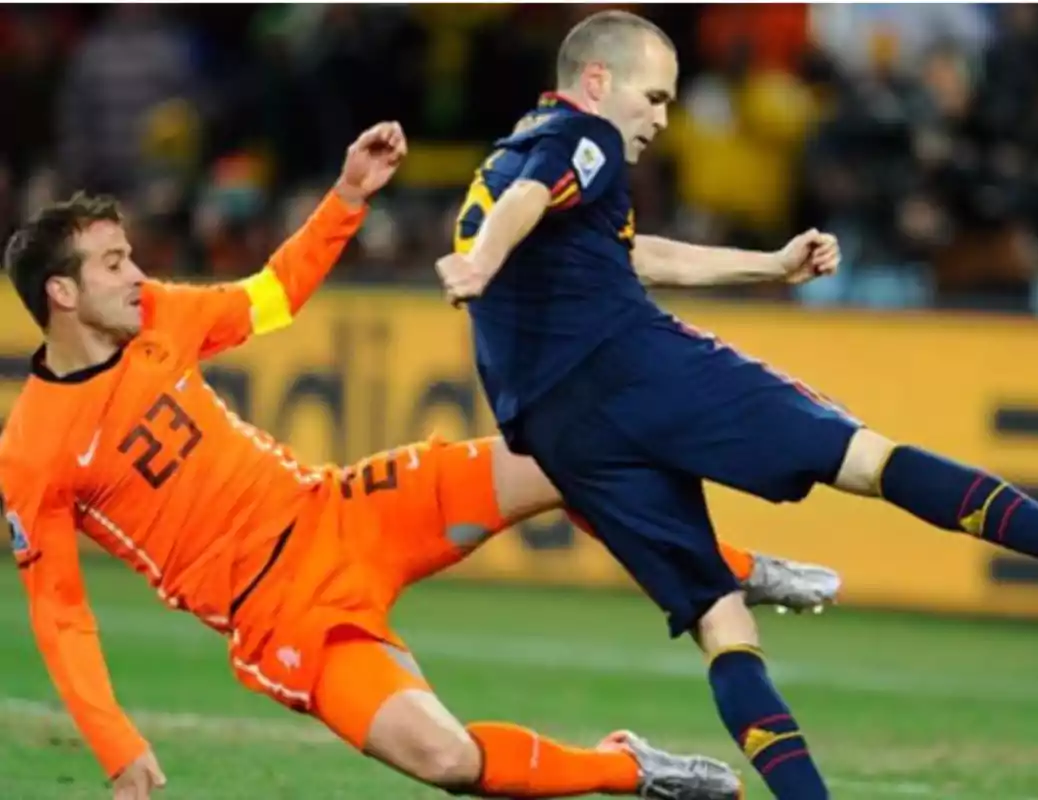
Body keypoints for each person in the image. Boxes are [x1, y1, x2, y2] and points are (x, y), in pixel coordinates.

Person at [434, 10, 1038, 799]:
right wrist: (481, 264)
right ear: (598, 82)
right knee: (865, 458)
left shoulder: (516, 147)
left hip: (558, 428)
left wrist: (767, 264)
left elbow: (627, 251)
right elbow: (525, 204)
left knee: (722, 623)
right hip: (632, 365)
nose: (663, 118)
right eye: (654, 96)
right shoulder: (578, 137)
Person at [0, 122, 755, 800]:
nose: (136, 274)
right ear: (61, 293)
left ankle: (728, 571)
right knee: (446, 760)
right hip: (282, 613)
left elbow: (273, 296)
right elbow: (60, 613)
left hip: (340, 508)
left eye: (130, 256)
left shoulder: (159, 315)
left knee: (565, 453)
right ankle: (628, 768)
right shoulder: (33, 448)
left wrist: (347, 196)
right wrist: (116, 742)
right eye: (113, 264)